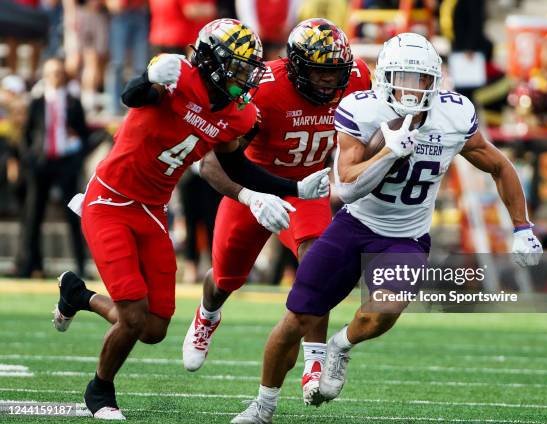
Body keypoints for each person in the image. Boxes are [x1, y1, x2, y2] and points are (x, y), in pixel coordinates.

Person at [231, 33, 544, 423]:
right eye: (402, 78)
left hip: (407, 234)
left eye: (421, 80)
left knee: (384, 310)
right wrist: (389, 151)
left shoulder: (454, 115)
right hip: (356, 225)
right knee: (296, 318)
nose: (410, 90)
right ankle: (263, 405)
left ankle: (339, 346)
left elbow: (498, 165)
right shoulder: (361, 110)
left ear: (436, 82)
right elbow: (346, 185)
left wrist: (521, 227)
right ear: (384, 78)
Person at [50, 18, 329, 419]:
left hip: (152, 209)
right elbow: (132, 96)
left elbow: (241, 167)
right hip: (110, 201)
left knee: (154, 327)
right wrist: (147, 76)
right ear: (213, 62)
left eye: (249, 67)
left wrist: (296, 189)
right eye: (238, 66)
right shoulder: (178, 76)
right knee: (133, 314)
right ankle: (100, 391)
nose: (246, 76)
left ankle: (79, 296)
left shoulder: (238, 115)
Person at [181, 18, 371, 404]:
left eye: (334, 73)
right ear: (298, 66)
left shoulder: (357, 78)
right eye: (318, 72)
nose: (327, 82)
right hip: (254, 186)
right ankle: (207, 315)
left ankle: (314, 360)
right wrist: (250, 196)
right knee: (225, 277)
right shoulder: (264, 88)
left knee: (318, 261)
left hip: (309, 188)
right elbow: (213, 164)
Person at [16, 58, 90, 278]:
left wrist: (75, 158)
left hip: (65, 163)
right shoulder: (37, 102)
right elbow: (26, 134)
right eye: (51, 72)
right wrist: (30, 158)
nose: (56, 76)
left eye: (59, 72)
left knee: (74, 215)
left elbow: (84, 136)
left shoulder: (73, 102)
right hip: (41, 163)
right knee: (33, 216)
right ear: (45, 76)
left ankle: (80, 265)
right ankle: (31, 265)